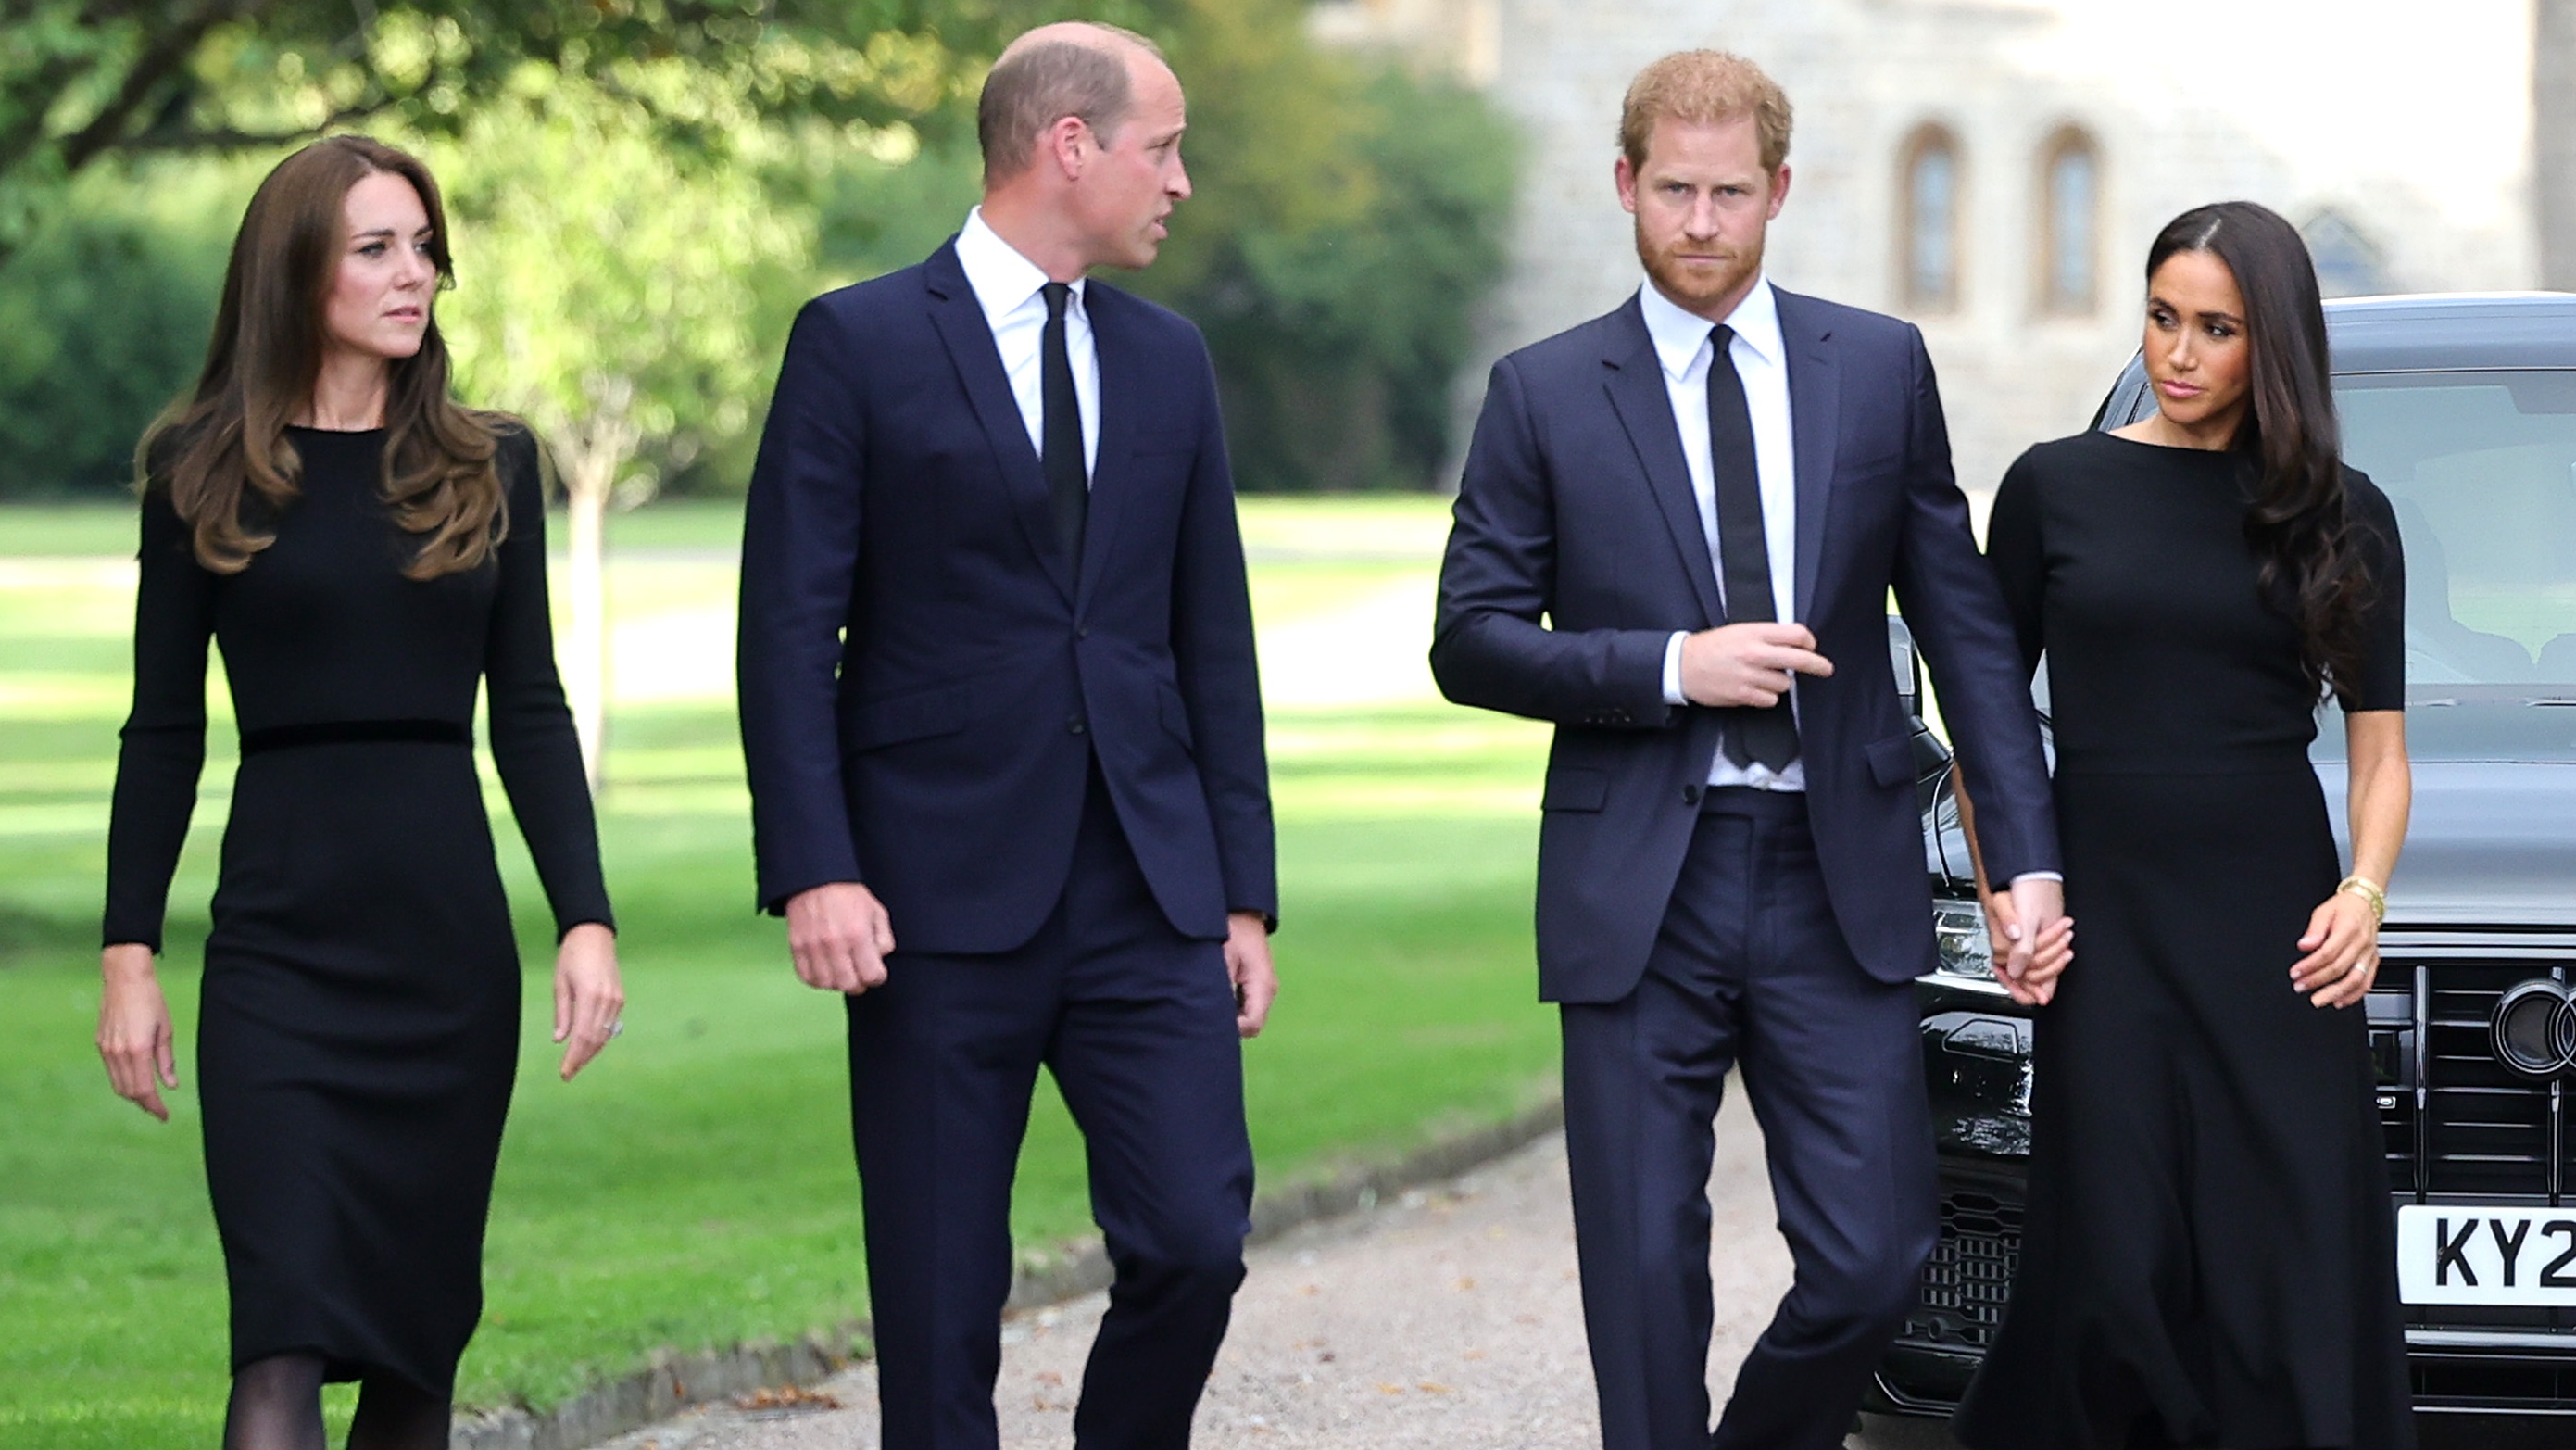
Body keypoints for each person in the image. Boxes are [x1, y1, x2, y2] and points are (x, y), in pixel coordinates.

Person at [1431, 49, 2068, 1450]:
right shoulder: (1542, 391)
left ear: (1779, 190)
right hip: (1634, 887)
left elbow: (1962, 628)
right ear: (1623, 186)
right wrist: (1668, 667)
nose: (1701, 221)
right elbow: (1469, 638)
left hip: (1829, 878)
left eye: (1730, 191)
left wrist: (2025, 857)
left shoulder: (1876, 368)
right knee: (1643, 1278)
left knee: (1875, 1259)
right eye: (1673, 189)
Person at [735, 21, 1275, 1450]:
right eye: (1162, 147)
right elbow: (788, 635)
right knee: (937, 1308)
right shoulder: (852, 342)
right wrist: (814, 866)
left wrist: (1239, 890)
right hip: (927, 895)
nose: (1180, 179)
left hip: (1146, 891)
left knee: (1194, 1239)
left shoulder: (1169, 361)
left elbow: (1208, 639)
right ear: (1069, 146)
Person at [92, 135, 622, 1450]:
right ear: (295, 269)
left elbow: (534, 710)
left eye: (425, 245)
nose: (417, 274)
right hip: (277, 947)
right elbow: (161, 731)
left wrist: (586, 916)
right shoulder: (199, 469)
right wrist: (129, 953)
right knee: (277, 1330)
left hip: (442, 952)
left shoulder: (488, 462)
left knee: (410, 1346)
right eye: (377, 246)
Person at [1953, 201, 2415, 1449]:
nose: (2178, 352)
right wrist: (2012, 892)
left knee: (2289, 1259)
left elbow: (2378, 751)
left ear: (2272, 347)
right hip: (2104, 924)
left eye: (2216, 328)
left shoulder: (2342, 512)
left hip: (2276, 929)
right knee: (2113, 1260)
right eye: (2162, 317)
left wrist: (2363, 894)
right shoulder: (2055, 487)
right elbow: (1989, 729)